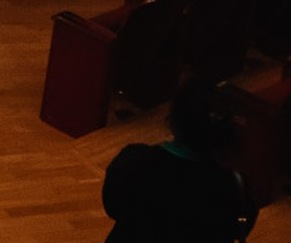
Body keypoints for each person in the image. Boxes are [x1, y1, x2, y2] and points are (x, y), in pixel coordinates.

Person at [100, 81, 254, 243]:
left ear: (173, 121)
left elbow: (113, 208)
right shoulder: (233, 186)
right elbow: (240, 229)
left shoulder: (134, 163)